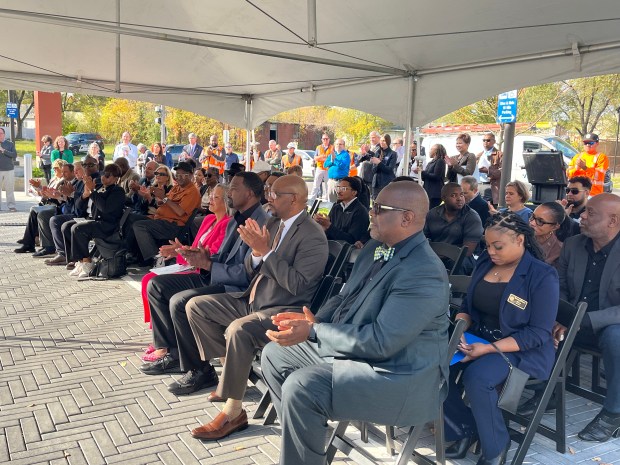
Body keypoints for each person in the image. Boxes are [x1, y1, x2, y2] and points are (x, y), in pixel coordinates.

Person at [260, 181, 450, 465]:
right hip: (359, 353)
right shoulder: (376, 247)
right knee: (274, 354)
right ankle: (305, 446)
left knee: (302, 387)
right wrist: (316, 319)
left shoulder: (423, 272)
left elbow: (381, 342)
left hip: (396, 375)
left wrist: (315, 332)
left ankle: (301, 452)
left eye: (378, 208)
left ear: (407, 218)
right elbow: (343, 296)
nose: (370, 213)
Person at [185, 175, 328, 441]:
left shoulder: (312, 235)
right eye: (268, 193)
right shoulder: (273, 224)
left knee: (238, 330)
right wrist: (257, 253)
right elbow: (252, 267)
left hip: (283, 309)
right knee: (196, 306)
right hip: (252, 299)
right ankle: (230, 370)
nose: (268, 198)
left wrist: (266, 253)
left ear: (294, 199)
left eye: (274, 194)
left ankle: (233, 411)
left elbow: (298, 284)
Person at [443, 212, 558, 465]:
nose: (491, 251)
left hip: (519, 348)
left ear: (519, 240)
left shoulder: (541, 275)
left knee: (478, 378)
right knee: (434, 365)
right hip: (477, 337)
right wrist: (462, 325)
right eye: (487, 245)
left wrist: (489, 349)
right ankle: (463, 428)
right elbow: (468, 303)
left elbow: (538, 333)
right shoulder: (485, 262)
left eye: (498, 246)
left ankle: (496, 445)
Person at [139, 173, 270, 385]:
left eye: (234, 188)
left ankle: (200, 370)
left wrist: (209, 264)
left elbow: (248, 273)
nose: (229, 193)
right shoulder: (237, 218)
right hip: (215, 275)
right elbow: (223, 257)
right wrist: (199, 257)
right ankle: (173, 353)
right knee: (157, 285)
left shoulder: (260, 223)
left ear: (250, 193)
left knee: (179, 302)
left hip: (235, 288)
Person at [555, 193, 620, 443]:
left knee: (616, 336)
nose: (581, 215)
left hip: (606, 325)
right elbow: (558, 286)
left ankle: (613, 413)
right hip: (572, 320)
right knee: (538, 318)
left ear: (613, 221)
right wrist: (562, 314)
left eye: (591, 213)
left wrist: (585, 320)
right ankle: (546, 390)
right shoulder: (573, 244)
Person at [140, 184, 232, 327]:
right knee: (148, 279)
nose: (211, 199)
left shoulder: (227, 224)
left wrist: (179, 252)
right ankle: (159, 331)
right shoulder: (209, 219)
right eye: (211, 195)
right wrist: (179, 249)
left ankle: (163, 337)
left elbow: (209, 254)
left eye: (216, 197)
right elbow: (195, 247)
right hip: (189, 264)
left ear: (226, 202)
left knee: (153, 282)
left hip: (202, 271)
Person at [131, 162, 201, 266]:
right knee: (131, 218)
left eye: (182, 175)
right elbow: (162, 203)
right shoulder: (176, 188)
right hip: (160, 219)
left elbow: (180, 212)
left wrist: (164, 197)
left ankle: (156, 259)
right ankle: (131, 253)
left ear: (190, 175)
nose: (179, 177)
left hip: (173, 225)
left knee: (139, 226)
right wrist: (155, 196)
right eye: (177, 175)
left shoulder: (192, 192)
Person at [68, 163, 126, 278]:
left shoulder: (117, 191)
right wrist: (85, 194)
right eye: (103, 174)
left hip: (108, 225)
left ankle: (87, 262)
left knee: (78, 229)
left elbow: (105, 208)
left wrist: (93, 191)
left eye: (108, 176)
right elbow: (79, 206)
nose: (104, 177)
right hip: (94, 221)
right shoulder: (99, 187)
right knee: (67, 226)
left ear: (115, 178)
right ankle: (80, 261)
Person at [46, 157, 100, 267]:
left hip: (94, 217)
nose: (87, 168)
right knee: (60, 223)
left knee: (65, 224)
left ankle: (81, 260)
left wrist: (71, 195)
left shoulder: (99, 180)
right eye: (85, 165)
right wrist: (70, 195)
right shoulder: (81, 182)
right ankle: (71, 257)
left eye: (90, 165)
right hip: (79, 213)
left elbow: (98, 201)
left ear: (97, 166)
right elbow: (79, 203)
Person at [424, 183, 483, 274]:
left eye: (462, 195)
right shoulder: (432, 214)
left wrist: (441, 255)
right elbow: (424, 238)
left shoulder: (472, 217)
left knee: (459, 263)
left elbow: (467, 251)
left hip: (462, 259)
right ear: (443, 198)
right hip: (435, 255)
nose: (459, 198)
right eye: (453, 195)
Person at [14, 159, 69, 254]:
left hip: (56, 205)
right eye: (54, 168)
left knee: (39, 213)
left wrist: (47, 194)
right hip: (49, 203)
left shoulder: (64, 181)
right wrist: (38, 187)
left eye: (56, 168)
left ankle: (30, 242)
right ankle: (29, 242)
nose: (54, 170)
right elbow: (47, 193)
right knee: (34, 211)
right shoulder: (53, 179)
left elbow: (58, 196)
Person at [313, 176, 369, 246]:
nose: (339, 191)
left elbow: (352, 240)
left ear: (354, 192)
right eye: (338, 188)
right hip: (330, 247)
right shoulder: (336, 208)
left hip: (344, 252)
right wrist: (322, 225)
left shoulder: (360, 212)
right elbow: (329, 232)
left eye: (343, 189)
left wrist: (328, 226)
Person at [528, 202, 577, 268]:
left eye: (540, 221)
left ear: (555, 227)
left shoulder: (559, 251)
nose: (532, 223)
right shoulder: (521, 237)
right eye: (532, 216)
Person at [476, 132, 502, 204]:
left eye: (488, 140)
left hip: (491, 186)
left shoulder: (500, 154)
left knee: (491, 210)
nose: (485, 142)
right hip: (479, 184)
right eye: (483, 140)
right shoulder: (479, 155)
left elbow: (502, 172)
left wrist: (487, 171)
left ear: (494, 142)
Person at [419, 143, 447, 209]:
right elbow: (426, 177)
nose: (429, 151)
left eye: (431, 149)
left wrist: (422, 172)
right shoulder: (431, 162)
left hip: (435, 193)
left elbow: (436, 176)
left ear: (436, 151)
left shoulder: (440, 161)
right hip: (428, 191)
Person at [370, 133, 397, 199]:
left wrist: (379, 163)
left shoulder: (393, 154)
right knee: (375, 203)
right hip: (376, 183)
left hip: (386, 182)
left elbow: (389, 169)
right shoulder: (378, 153)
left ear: (388, 141)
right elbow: (373, 170)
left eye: (384, 141)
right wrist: (375, 164)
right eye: (381, 141)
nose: (382, 142)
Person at [310, 134, 333, 200]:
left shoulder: (332, 147)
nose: (325, 140)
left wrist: (322, 158)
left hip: (328, 169)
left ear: (329, 139)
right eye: (324, 139)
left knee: (328, 185)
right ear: (322, 140)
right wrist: (322, 157)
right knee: (315, 185)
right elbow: (315, 158)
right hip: (319, 168)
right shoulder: (318, 147)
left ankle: (328, 200)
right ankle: (312, 199)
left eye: (326, 139)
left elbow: (332, 159)